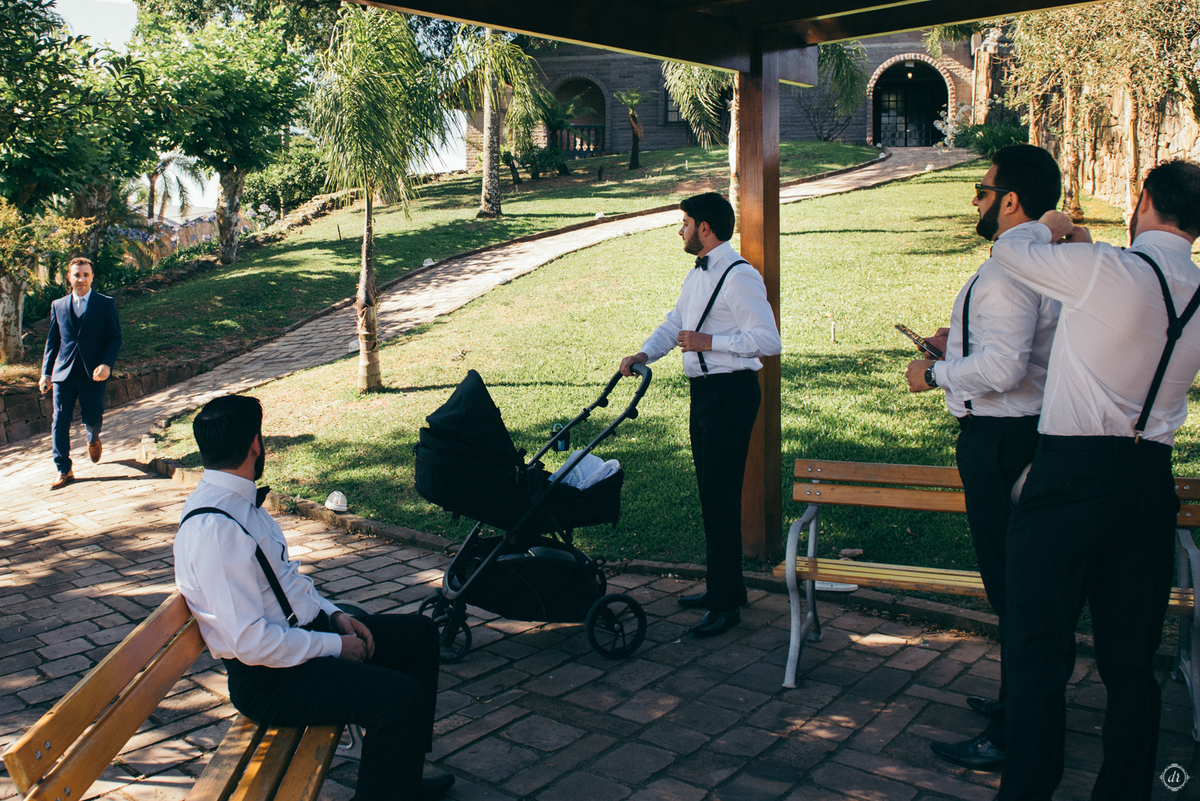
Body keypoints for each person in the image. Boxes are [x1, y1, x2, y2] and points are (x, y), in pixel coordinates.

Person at [987, 159, 1200, 800]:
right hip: (1148, 482)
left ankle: (1028, 788)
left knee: (1037, 644)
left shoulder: (1108, 267)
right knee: (1132, 660)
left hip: (1071, 474)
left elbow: (1009, 247)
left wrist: (1052, 223)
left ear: (1142, 202)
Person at [173, 394, 453, 801]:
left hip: (299, 642)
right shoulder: (215, 530)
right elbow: (251, 642)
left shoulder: (240, 502)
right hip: (270, 679)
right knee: (399, 699)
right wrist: (335, 646)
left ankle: (401, 780)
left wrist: (336, 615)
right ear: (256, 444)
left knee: (420, 637)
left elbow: (288, 585)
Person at [903, 144, 1062, 772]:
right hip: (1016, 436)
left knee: (1015, 593)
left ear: (1011, 200)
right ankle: (1012, 706)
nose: (975, 199)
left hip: (1003, 443)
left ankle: (1016, 733)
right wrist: (956, 341)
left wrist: (936, 370)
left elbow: (1004, 367)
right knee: (1017, 591)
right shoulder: (1044, 261)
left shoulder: (1008, 267)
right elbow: (1014, 347)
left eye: (982, 188)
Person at [619, 192, 782, 637]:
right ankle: (723, 589)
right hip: (705, 394)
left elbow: (769, 341)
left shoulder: (739, 276)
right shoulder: (697, 277)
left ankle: (726, 603)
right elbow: (676, 325)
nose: (681, 230)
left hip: (732, 393)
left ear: (705, 228)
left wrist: (713, 344)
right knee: (712, 495)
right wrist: (644, 353)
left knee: (720, 496)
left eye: (686, 223)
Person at [39, 257, 122, 489]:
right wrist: (46, 372)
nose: (81, 279)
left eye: (85, 275)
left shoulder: (105, 303)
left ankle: (93, 437)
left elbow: (114, 338)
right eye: (77, 275)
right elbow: (52, 342)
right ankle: (63, 468)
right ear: (69, 277)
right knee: (59, 419)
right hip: (63, 374)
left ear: (92, 277)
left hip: (93, 373)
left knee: (93, 416)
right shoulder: (58, 305)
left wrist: (107, 364)